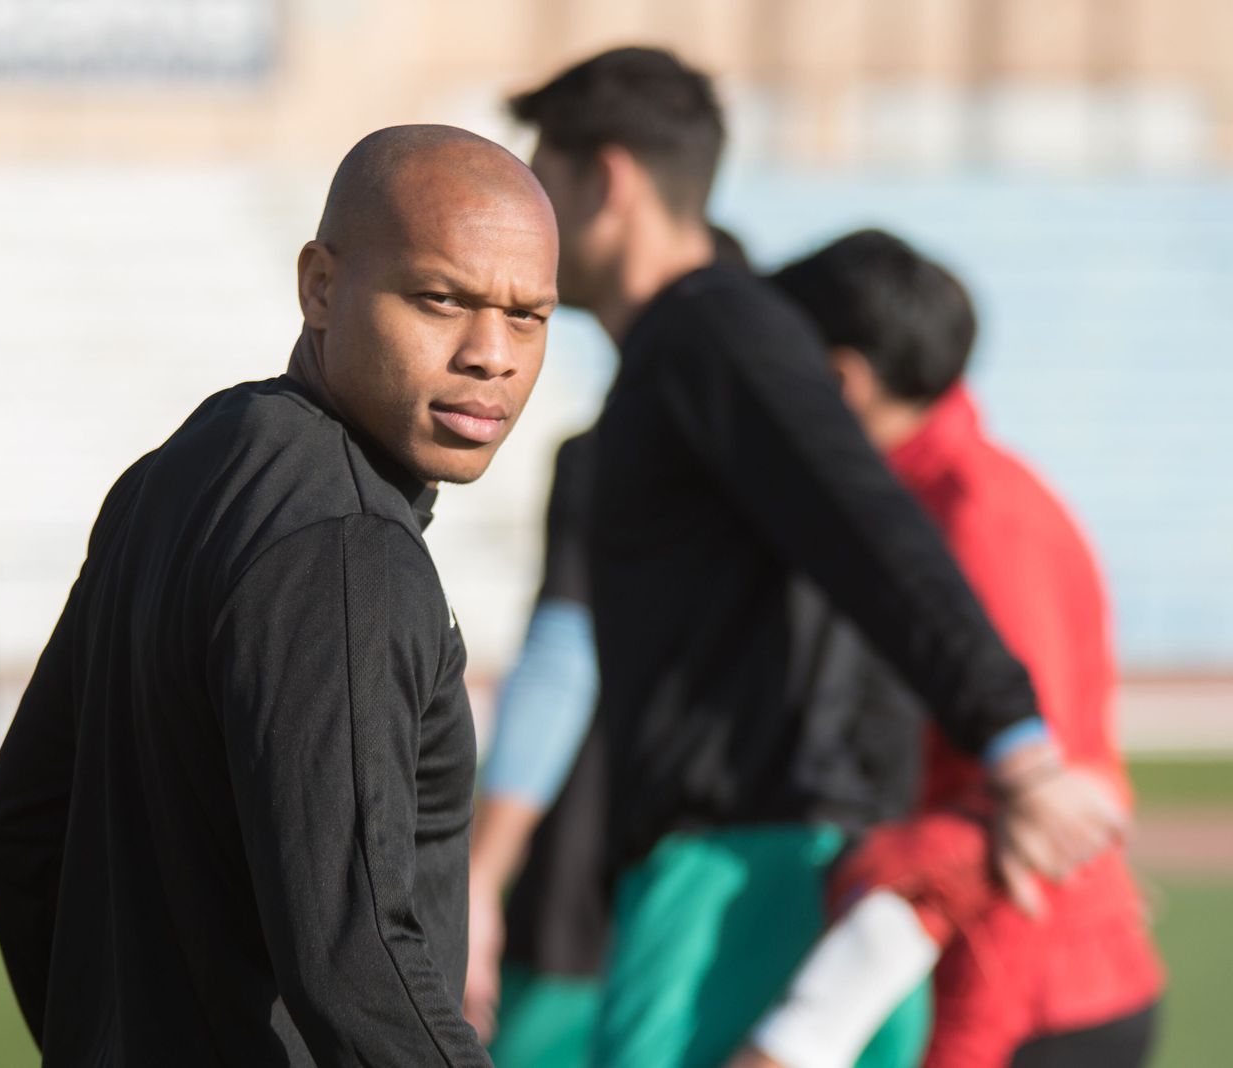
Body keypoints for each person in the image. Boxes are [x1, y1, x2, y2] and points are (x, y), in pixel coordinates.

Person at [507, 46, 1126, 1068]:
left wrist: (1011, 736)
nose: (530, 217)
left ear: (605, 180)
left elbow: (867, 521)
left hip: (748, 871)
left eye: (542, 176)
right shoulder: (709, 339)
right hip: (763, 857)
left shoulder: (712, 331)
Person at [0, 124, 559, 1066]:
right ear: (320, 285)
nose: (491, 354)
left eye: (527, 316)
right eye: (441, 299)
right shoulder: (349, 548)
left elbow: (20, 831)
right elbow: (358, 966)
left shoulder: (180, 467)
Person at [464, 227, 928, 1068]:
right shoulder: (854, 474)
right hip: (834, 871)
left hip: (638, 874)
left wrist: (482, 872)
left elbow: (563, 658)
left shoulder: (621, 459)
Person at [737, 229, 1164, 1068]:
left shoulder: (977, 518)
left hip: (1038, 988)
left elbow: (1036, 805)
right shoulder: (931, 501)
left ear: (839, 380)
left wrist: (804, 1031)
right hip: (1019, 972)